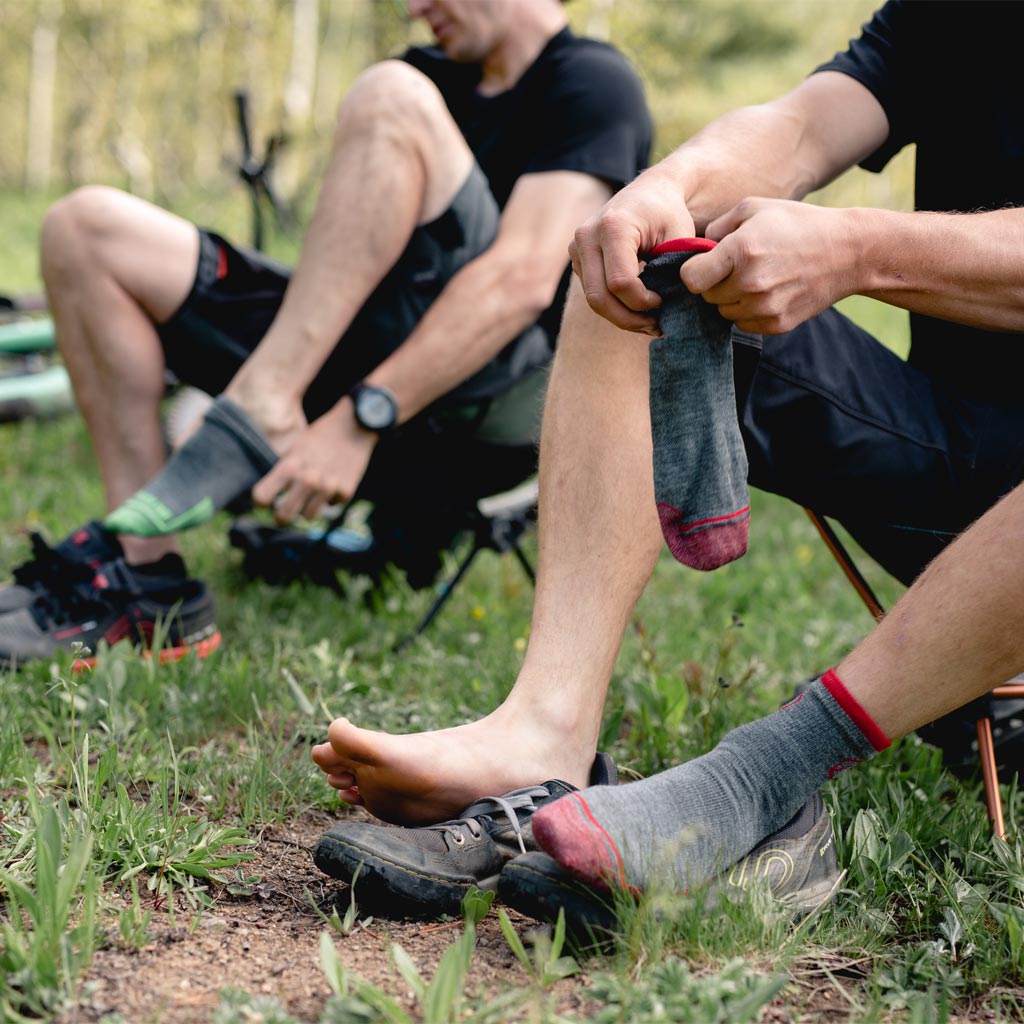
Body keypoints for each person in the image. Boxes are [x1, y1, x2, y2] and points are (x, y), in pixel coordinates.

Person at [310, 0, 1024, 841]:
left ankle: (772, 769)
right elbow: (798, 127)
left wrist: (860, 248)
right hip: (950, 453)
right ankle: (545, 729)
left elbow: (861, 239)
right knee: (643, 278)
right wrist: (663, 188)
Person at [0, 0, 651, 668]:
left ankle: (262, 406)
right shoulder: (432, 72)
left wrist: (359, 418)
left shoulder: (591, 81)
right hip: (355, 357)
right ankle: (145, 582)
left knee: (391, 96)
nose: (414, 8)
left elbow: (520, 281)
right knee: (84, 230)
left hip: (485, 410)